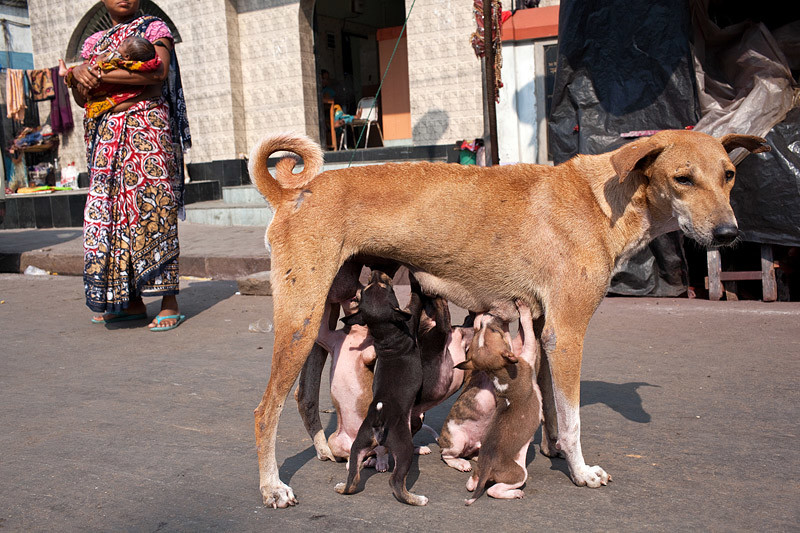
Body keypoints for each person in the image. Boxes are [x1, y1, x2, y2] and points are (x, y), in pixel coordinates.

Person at [67, 0, 191, 332]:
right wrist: (76, 77)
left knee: (152, 209)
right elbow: (83, 96)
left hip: (146, 129)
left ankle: (168, 301)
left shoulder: (154, 29)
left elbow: (157, 73)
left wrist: (98, 72)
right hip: (106, 134)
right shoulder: (93, 43)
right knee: (112, 216)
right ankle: (131, 301)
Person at [60, 35, 161, 119]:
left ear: (127, 57)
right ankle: (66, 72)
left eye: (128, 41)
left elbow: (100, 62)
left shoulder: (117, 60)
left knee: (77, 74)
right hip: (96, 90)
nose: (125, 39)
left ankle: (65, 72)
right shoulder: (130, 67)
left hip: (98, 86)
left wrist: (98, 61)